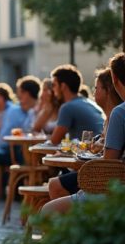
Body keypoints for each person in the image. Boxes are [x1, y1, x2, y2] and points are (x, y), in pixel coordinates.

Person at [50, 56, 125, 200]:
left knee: (51, 197)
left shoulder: (118, 113)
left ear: (114, 80)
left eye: (96, 88)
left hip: (112, 187)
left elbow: (107, 165)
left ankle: (78, 221)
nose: (94, 93)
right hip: (113, 180)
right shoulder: (105, 112)